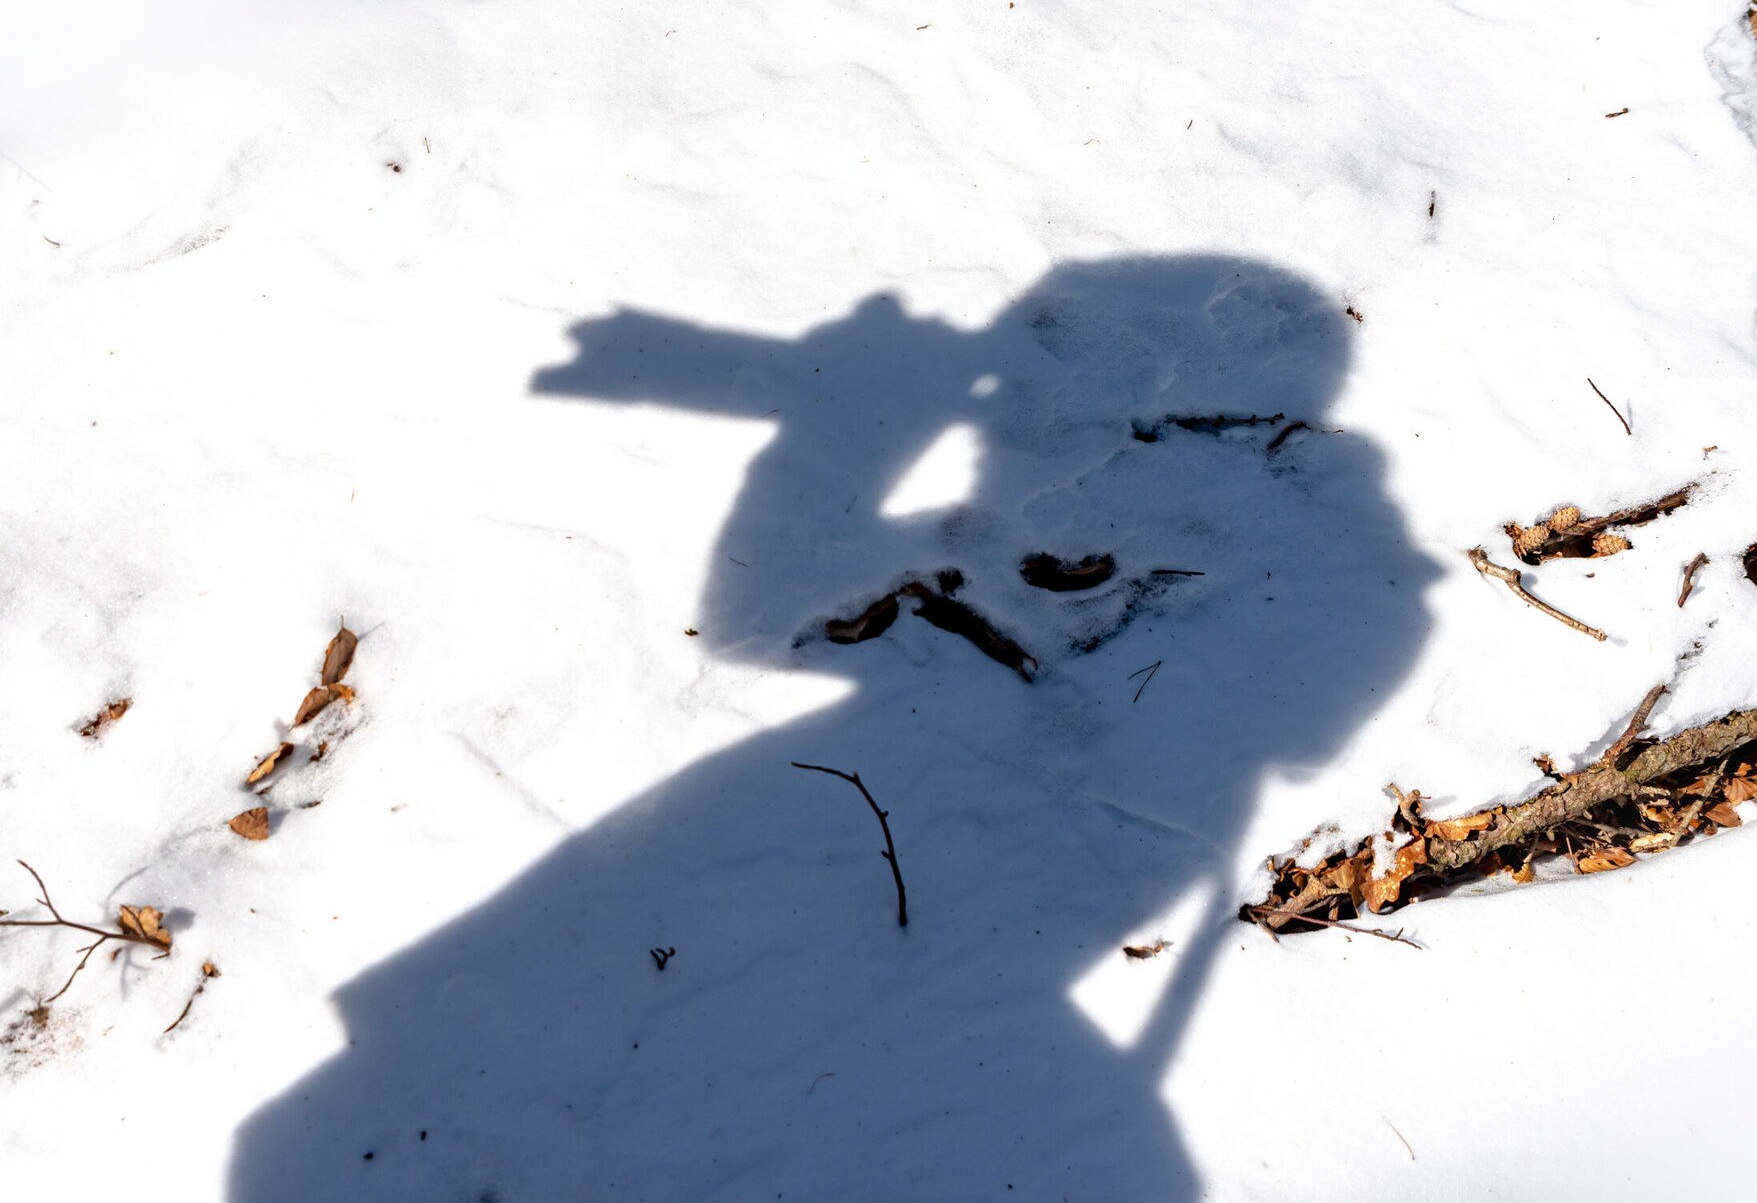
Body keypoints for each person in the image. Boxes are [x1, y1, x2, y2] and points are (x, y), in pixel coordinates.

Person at [231, 255, 1432, 1201]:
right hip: (770, 951)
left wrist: (849, 432)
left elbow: (755, 623)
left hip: (915, 938)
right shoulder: (1325, 568)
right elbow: (764, 621)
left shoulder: (1307, 560)